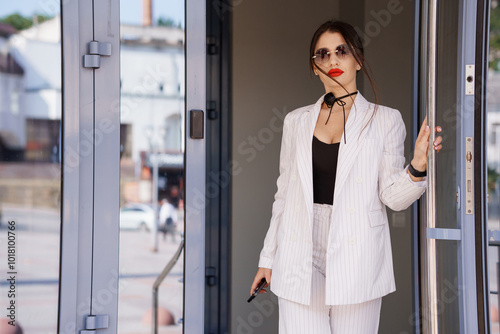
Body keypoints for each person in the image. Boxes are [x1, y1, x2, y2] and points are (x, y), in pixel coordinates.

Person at [249, 20, 443, 334]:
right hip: (299, 251)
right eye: (322, 54)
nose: (333, 60)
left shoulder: (385, 120)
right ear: (314, 67)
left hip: (358, 253)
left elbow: (392, 198)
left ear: (358, 59)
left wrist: (418, 165)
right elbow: (283, 194)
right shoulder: (295, 121)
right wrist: (267, 258)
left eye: (342, 51)